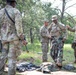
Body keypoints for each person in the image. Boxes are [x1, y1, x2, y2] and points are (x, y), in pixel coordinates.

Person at [0, 0, 27, 75]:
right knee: (12, 58)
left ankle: (1, 71)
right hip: (13, 39)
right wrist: (22, 38)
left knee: (3, 56)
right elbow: (18, 27)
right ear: (13, 3)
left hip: (3, 38)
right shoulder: (15, 11)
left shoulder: (1, 12)